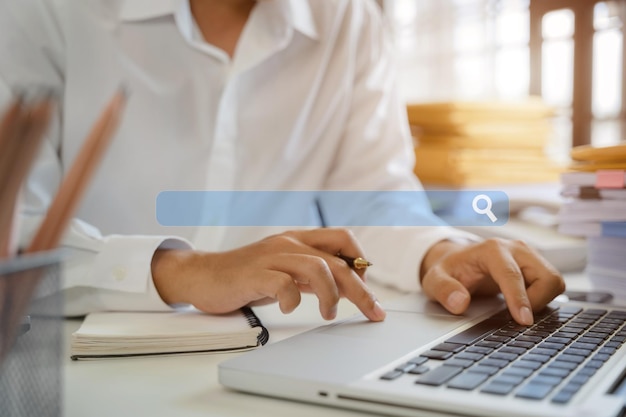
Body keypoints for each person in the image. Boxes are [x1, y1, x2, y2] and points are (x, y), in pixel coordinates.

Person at [0, 0, 564, 325]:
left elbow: (370, 192)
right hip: (70, 359)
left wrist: (439, 252)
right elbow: (14, 232)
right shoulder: (43, 12)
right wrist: (184, 271)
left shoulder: (347, 17)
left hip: (272, 350)